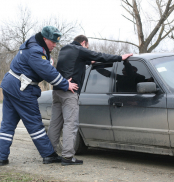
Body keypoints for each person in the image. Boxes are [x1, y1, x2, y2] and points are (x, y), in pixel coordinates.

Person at [0, 26, 78, 166]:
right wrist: (66, 84)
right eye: (52, 41)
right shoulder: (36, 51)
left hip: (10, 85)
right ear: (45, 38)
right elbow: (47, 72)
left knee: (8, 124)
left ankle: (2, 158)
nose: (55, 44)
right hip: (21, 88)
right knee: (35, 124)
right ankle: (48, 155)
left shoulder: (31, 45)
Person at [48, 35, 133, 166]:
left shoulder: (64, 49)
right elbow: (99, 55)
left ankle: (49, 155)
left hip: (57, 91)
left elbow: (75, 63)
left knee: (55, 123)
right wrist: (120, 57)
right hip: (70, 91)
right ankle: (67, 157)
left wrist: (89, 61)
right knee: (71, 124)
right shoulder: (80, 49)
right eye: (87, 47)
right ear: (84, 43)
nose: (87, 49)